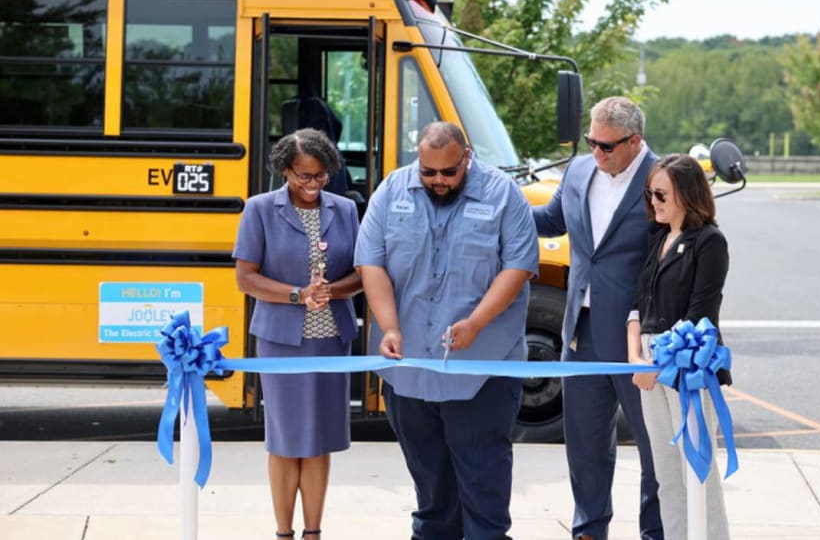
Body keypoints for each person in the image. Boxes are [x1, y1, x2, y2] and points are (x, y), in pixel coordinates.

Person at [354, 121, 539, 540]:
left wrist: (475, 323)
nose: (438, 181)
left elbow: (519, 267)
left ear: (467, 158)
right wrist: (389, 327)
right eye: (428, 172)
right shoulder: (391, 191)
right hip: (409, 372)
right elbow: (372, 263)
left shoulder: (503, 195)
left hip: (482, 370)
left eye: (448, 172)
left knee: (482, 485)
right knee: (431, 490)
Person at [532, 96, 663, 540]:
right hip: (580, 332)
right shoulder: (581, 170)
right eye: (592, 142)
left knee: (654, 448)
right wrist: (496, 209)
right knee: (585, 445)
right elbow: (551, 220)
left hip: (638, 339)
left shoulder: (662, 178)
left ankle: (656, 531)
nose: (597, 153)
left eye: (607, 146)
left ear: (635, 141)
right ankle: (588, 530)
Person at [232, 128, 362, 540]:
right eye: (303, 176)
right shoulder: (259, 210)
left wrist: (331, 291)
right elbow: (246, 279)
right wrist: (297, 295)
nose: (312, 184)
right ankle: (283, 532)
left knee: (319, 437)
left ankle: (313, 532)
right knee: (285, 438)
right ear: (284, 170)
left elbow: (362, 274)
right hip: (281, 340)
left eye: (320, 176)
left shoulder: (345, 209)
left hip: (330, 338)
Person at [627, 154, 733, 539]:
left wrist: (658, 363)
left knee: (697, 471)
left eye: (661, 194)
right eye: (650, 193)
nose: (653, 201)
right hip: (650, 366)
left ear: (687, 195)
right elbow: (638, 305)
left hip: (689, 369)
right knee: (666, 472)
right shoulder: (656, 237)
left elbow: (699, 314)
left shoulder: (709, 242)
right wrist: (635, 358)